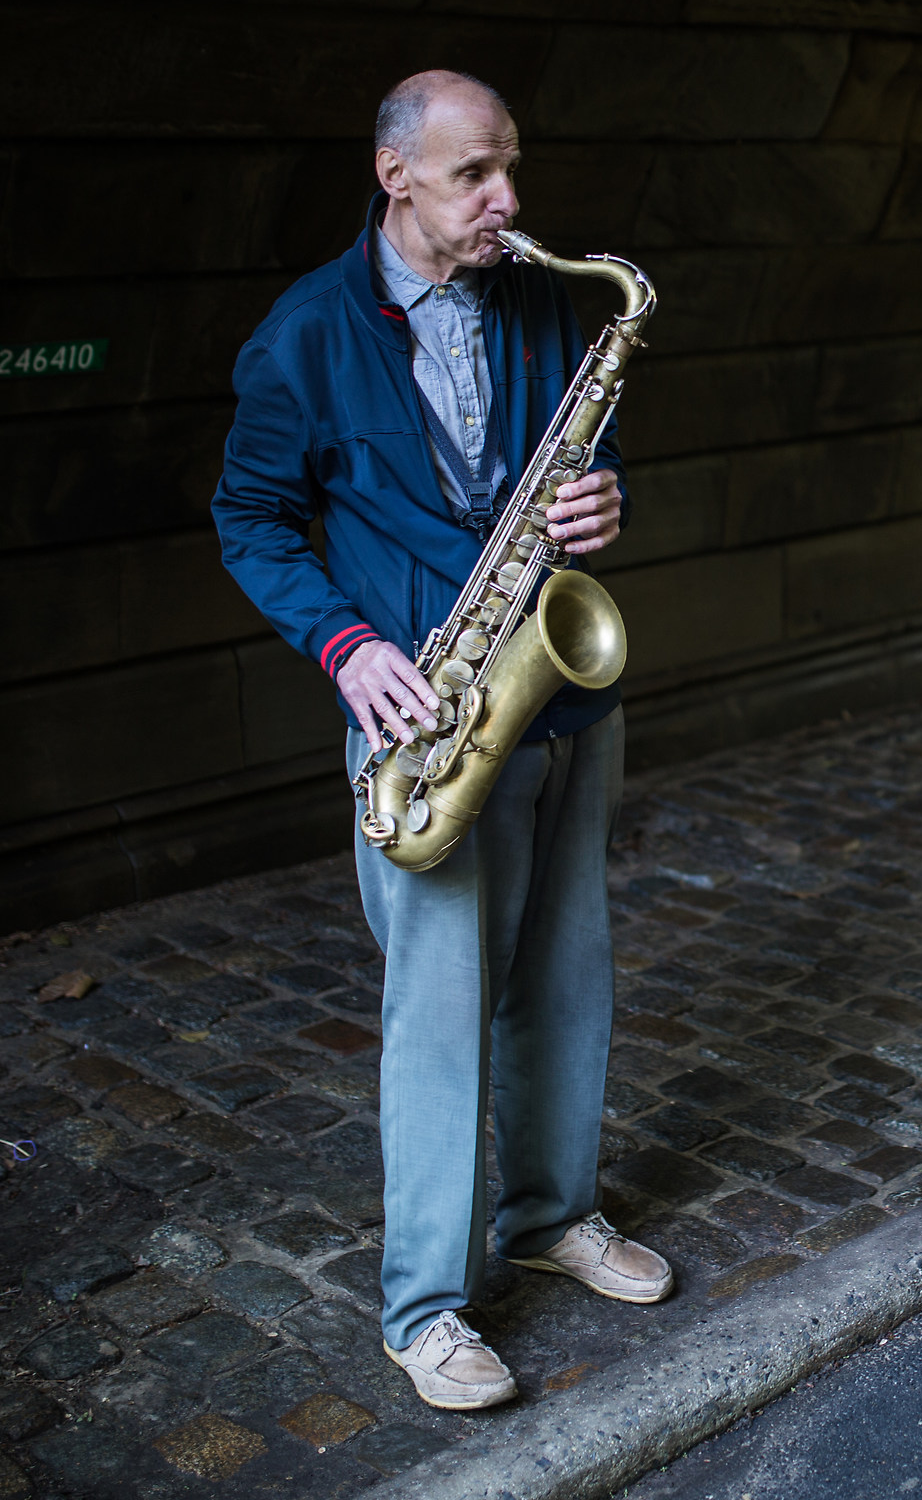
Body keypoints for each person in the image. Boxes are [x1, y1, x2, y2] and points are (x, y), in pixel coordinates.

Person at [212, 69, 670, 1412]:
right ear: (395, 173)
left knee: (568, 972)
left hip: (558, 689)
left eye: (511, 166)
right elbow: (249, 519)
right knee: (439, 1010)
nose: (506, 199)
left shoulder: (540, 299)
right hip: (426, 711)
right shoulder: (303, 337)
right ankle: (425, 1307)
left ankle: (551, 1215)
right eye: (475, 174)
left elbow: (584, 457)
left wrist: (603, 499)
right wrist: (346, 646)